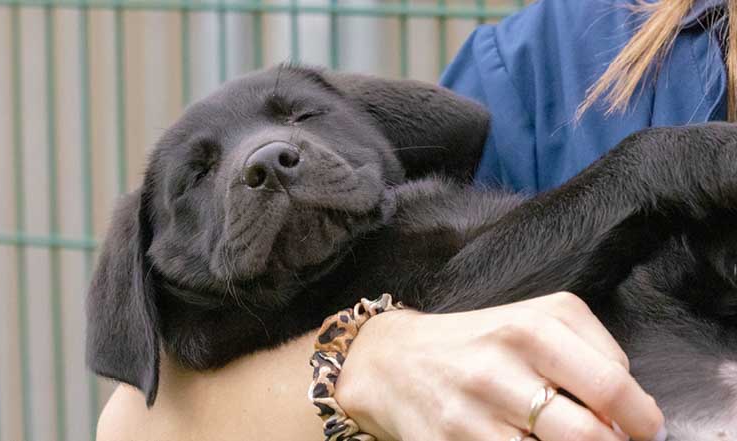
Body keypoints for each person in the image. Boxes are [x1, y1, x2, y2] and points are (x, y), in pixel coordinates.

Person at [96, 0, 731, 439]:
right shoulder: (565, 52)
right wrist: (364, 362)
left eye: (299, 118)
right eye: (197, 176)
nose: (267, 158)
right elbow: (126, 429)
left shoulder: (427, 208)